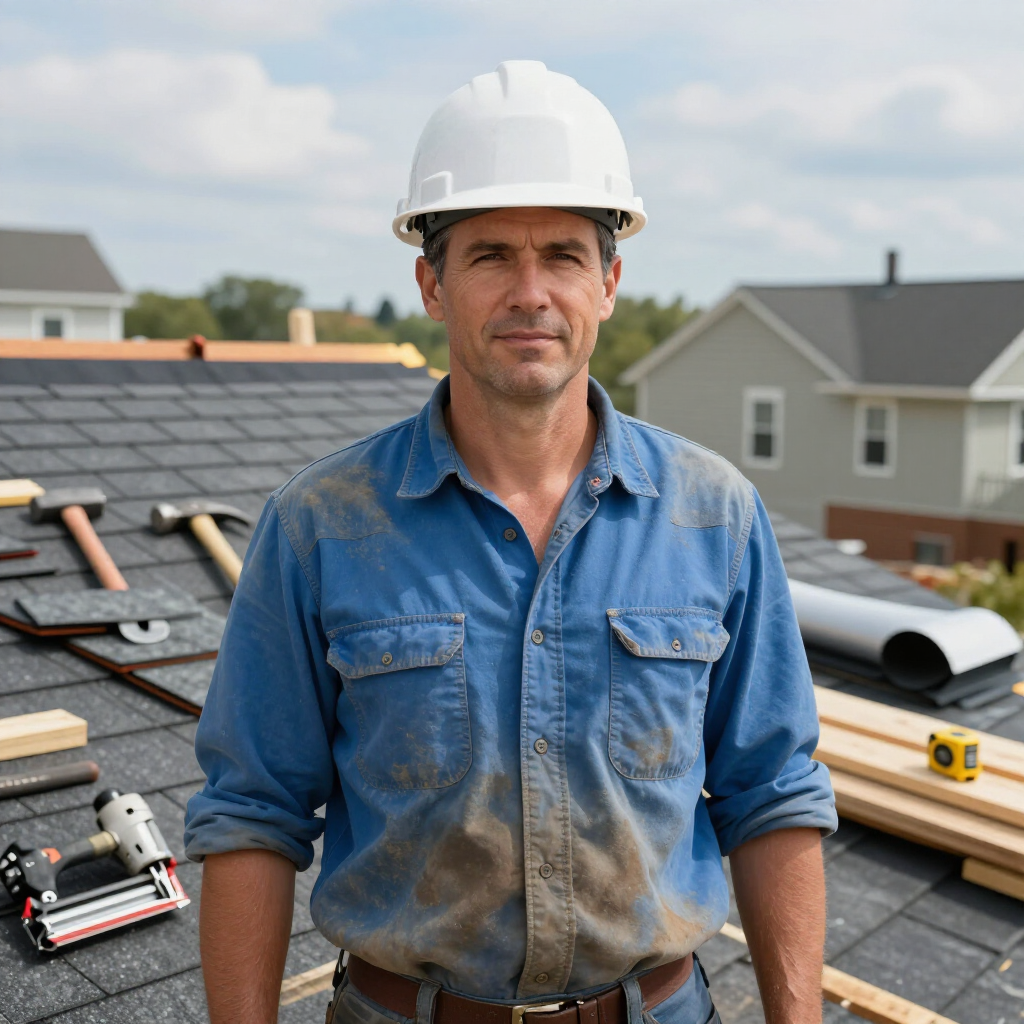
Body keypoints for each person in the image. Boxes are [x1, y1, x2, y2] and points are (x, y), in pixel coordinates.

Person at [185, 60, 837, 1024]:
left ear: (609, 282)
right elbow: (250, 814)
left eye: (564, 255)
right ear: (431, 283)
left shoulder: (714, 515)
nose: (530, 292)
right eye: (490, 254)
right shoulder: (322, 524)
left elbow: (772, 794)